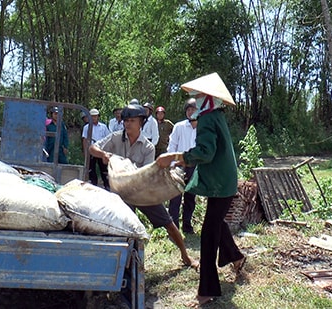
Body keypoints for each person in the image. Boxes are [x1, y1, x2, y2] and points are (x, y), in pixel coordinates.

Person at [156, 73, 246, 306]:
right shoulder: (216, 115)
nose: (194, 100)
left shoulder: (207, 118)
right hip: (223, 181)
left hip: (220, 182)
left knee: (208, 234)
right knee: (215, 223)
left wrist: (177, 157)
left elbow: (205, 152)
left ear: (207, 99)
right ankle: (235, 257)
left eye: (198, 96)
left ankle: (207, 289)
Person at [89, 104, 196, 268]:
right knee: (119, 226)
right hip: (120, 192)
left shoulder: (148, 147)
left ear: (142, 123)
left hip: (142, 190)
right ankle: (121, 263)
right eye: (126, 120)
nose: (128, 124)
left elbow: (145, 174)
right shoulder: (115, 137)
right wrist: (103, 154)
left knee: (168, 223)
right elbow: (92, 148)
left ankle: (185, 255)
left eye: (132, 120)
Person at [167, 99, 197, 234]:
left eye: (193, 110)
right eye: (188, 110)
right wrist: (172, 164)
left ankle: (187, 225)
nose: (191, 112)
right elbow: (172, 145)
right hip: (179, 165)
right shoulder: (179, 126)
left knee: (191, 197)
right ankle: (173, 227)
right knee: (175, 196)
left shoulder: (202, 128)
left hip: (194, 166)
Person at [82, 108, 111, 190]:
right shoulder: (86, 127)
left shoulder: (103, 127)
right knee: (91, 168)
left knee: (104, 168)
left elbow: (108, 138)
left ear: (98, 117)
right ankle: (93, 185)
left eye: (95, 116)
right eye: (92, 116)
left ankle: (107, 185)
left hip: (101, 150)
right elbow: (85, 139)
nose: (94, 118)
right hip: (91, 150)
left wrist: (107, 151)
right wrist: (85, 151)